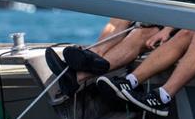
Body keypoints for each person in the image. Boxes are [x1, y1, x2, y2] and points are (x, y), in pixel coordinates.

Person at [45, 19, 177, 97]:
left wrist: (168, 29)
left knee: (142, 34)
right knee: (122, 15)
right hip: (162, 15)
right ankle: (93, 53)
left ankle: (78, 76)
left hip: (178, 25)